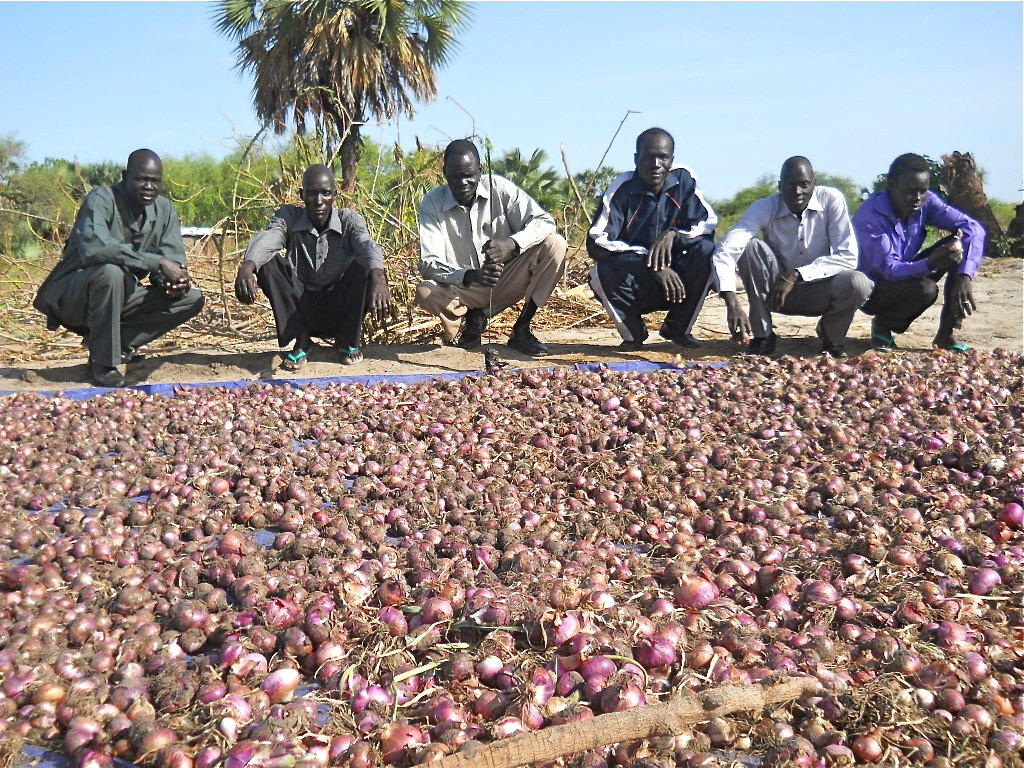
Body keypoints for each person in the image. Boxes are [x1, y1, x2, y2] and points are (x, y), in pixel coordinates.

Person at [33, 149, 205, 387]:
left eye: (154, 181)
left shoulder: (163, 210)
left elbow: (170, 261)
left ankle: (117, 345)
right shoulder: (101, 199)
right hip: (73, 297)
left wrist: (171, 282)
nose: (148, 186)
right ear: (125, 176)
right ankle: (103, 363)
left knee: (191, 298)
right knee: (111, 273)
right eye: (141, 179)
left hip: (121, 295)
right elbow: (95, 249)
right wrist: (157, 263)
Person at [415, 139, 567, 356]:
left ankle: (521, 329)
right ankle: (471, 319)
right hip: (465, 287)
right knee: (425, 291)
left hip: (505, 278)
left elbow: (544, 222)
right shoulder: (432, 202)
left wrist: (512, 244)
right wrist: (471, 276)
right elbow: (428, 263)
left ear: (480, 170)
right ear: (444, 173)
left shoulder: (499, 188)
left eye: (469, 176)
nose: (463, 183)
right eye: (455, 177)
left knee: (556, 244)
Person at [712, 156, 873, 357]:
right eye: (789, 186)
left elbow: (847, 256)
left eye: (804, 185)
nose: (797, 192)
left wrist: (797, 274)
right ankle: (763, 336)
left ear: (814, 184)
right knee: (750, 246)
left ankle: (831, 338)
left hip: (818, 289)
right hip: (775, 294)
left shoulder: (831, 200)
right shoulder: (765, 207)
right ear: (780, 186)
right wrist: (731, 302)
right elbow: (727, 249)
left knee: (858, 283)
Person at [234, 164, 391, 370]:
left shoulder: (349, 220)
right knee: (267, 263)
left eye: (325, 194)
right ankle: (302, 340)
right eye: (312, 194)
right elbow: (270, 237)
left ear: (335, 194)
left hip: (340, 306)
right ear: (302, 194)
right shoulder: (288, 217)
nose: (319, 202)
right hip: (302, 306)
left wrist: (379, 278)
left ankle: (346, 340)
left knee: (368, 268)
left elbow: (365, 245)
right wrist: (247, 266)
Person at [586, 127, 716, 351]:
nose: (655, 165)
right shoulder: (622, 189)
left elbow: (707, 224)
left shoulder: (684, 179)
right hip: (637, 283)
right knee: (599, 272)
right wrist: (651, 263)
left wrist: (674, 236)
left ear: (671, 159)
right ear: (637, 159)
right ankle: (633, 333)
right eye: (648, 157)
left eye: (663, 157)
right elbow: (596, 240)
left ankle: (679, 328)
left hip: (678, 283)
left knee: (709, 252)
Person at [853, 153, 986, 352]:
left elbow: (973, 228)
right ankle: (884, 324)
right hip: (873, 288)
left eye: (922, 191)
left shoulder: (927, 202)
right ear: (891, 184)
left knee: (959, 248)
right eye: (909, 191)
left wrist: (965, 274)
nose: (917, 198)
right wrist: (930, 264)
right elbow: (888, 269)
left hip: (904, 273)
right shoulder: (870, 215)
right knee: (926, 289)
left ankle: (946, 334)